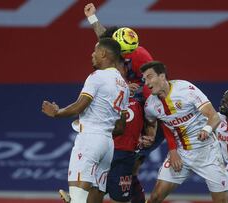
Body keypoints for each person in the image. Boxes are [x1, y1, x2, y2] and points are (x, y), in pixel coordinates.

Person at [83, 4, 166, 203]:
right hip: (128, 106)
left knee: (132, 165)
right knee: (119, 167)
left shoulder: (140, 58)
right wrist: (93, 18)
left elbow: (152, 100)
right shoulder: (112, 50)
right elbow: (104, 39)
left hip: (149, 111)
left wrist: (149, 131)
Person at [42, 37, 130, 203]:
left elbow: (79, 106)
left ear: (103, 53)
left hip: (90, 139)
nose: (92, 55)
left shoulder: (97, 76)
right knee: (95, 195)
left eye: (95, 51)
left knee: (78, 197)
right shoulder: (123, 85)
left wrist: (57, 112)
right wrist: (101, 124)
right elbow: (121, 127)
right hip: (107, 144)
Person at [141, 61, 228, 203]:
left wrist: (206, 130)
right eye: (144, 79)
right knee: (155, 198)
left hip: (208, 152)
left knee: (222, 201)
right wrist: (154, 138)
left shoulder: (186, 90)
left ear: (162, 76)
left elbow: (214, 116)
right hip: (181, 154)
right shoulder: (151, 106)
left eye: (149, 77)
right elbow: (159, 123)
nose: (146, 82)